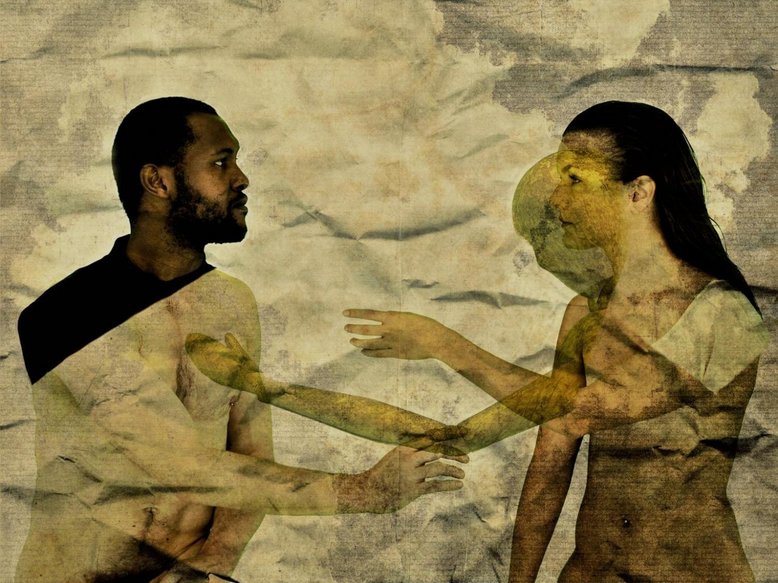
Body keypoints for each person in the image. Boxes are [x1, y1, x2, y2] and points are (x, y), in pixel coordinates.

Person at [16, 97, 466, 583]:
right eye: (220, 162)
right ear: (158, 182)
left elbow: (251, 453)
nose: (242, 178)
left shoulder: (230, 301)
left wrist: (212, 563)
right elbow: (178, 464)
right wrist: (363, 491)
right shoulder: (65, 315)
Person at [342, 101, 769, 582]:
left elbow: (577, 412)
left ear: (638, 192)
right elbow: (551, 457)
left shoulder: (724, 314)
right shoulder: (584, 312)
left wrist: (443, 343)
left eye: (574, 179)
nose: (557, 200)